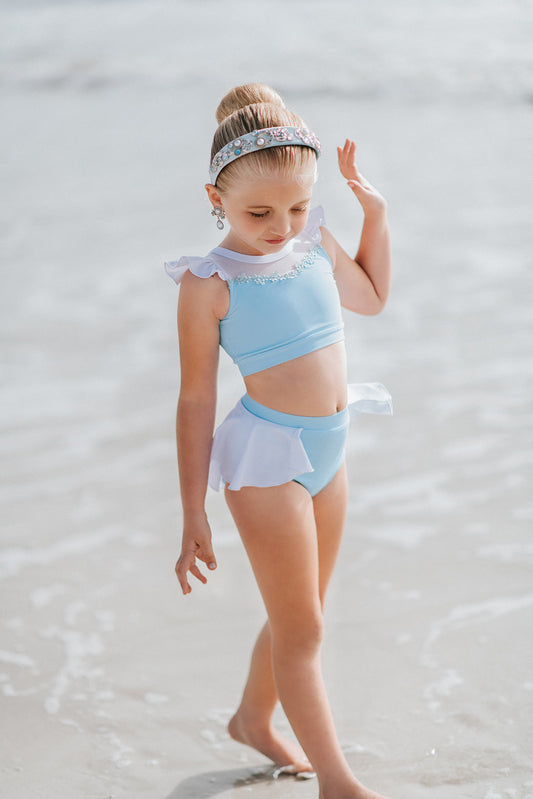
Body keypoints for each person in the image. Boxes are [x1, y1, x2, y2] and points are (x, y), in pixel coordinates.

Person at [165, 82, 393, 799]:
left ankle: (251, 719)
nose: (280, 225)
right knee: (303, 634)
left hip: (330, 448)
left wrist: (374, 214)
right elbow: (195, 400)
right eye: (258, 212)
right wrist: (193, 510)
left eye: (297, 206)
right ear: (216, 197)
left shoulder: (312, 243)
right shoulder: (209, 284)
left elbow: (372, 297)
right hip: (267, 463)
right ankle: (337, 782)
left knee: (303, 616)